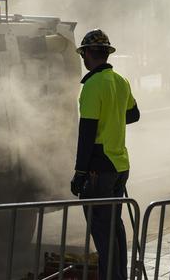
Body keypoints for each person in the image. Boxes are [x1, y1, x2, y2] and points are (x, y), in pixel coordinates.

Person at [70, 29, 140, 280]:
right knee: (115, 227)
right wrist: (113, 118)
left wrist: (79, 173)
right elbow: (133, 115)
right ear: (106, 52)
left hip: (99, 169)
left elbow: (86, 133)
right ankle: (120, 275)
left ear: (89, 53)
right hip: (120, 165)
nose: (84, 60)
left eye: (84, 55)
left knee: (102, 231)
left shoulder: (91, 86)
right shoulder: (121, 81)